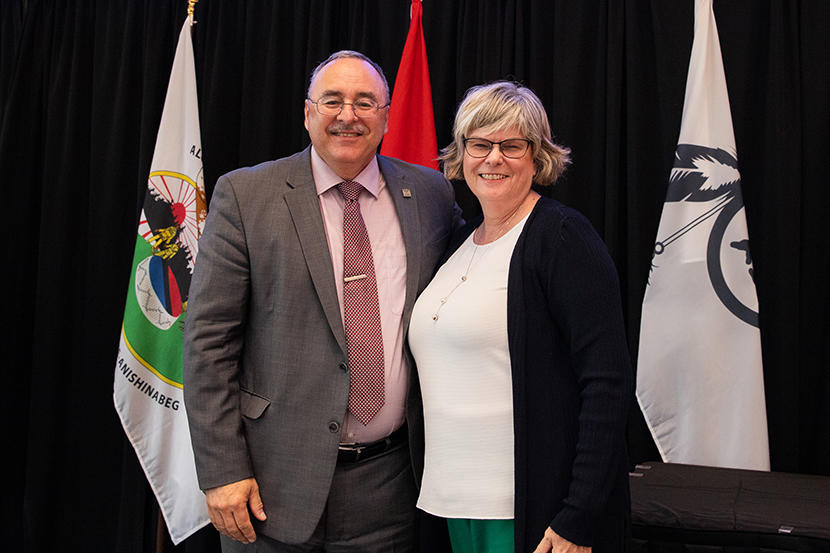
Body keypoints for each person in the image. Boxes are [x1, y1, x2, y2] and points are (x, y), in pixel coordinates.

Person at [183, 50, 462, 553]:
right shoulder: (247, 196)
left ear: (386, 115)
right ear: (308, 112)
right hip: (269, 487)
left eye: (364, 102)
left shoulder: (430, 195)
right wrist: (222, 470)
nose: (347, 115)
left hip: (390, 489)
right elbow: (207, 344)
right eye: (332, 100)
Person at [408, 81, 633, 553]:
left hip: (529, 509)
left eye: (512, 145)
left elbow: (606, 384)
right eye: (480, 143)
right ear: (462, 152)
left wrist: (579, 515)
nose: (493, 158)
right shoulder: (457, 241)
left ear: (537, 156)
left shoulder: (564, 237)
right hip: (449, 500)